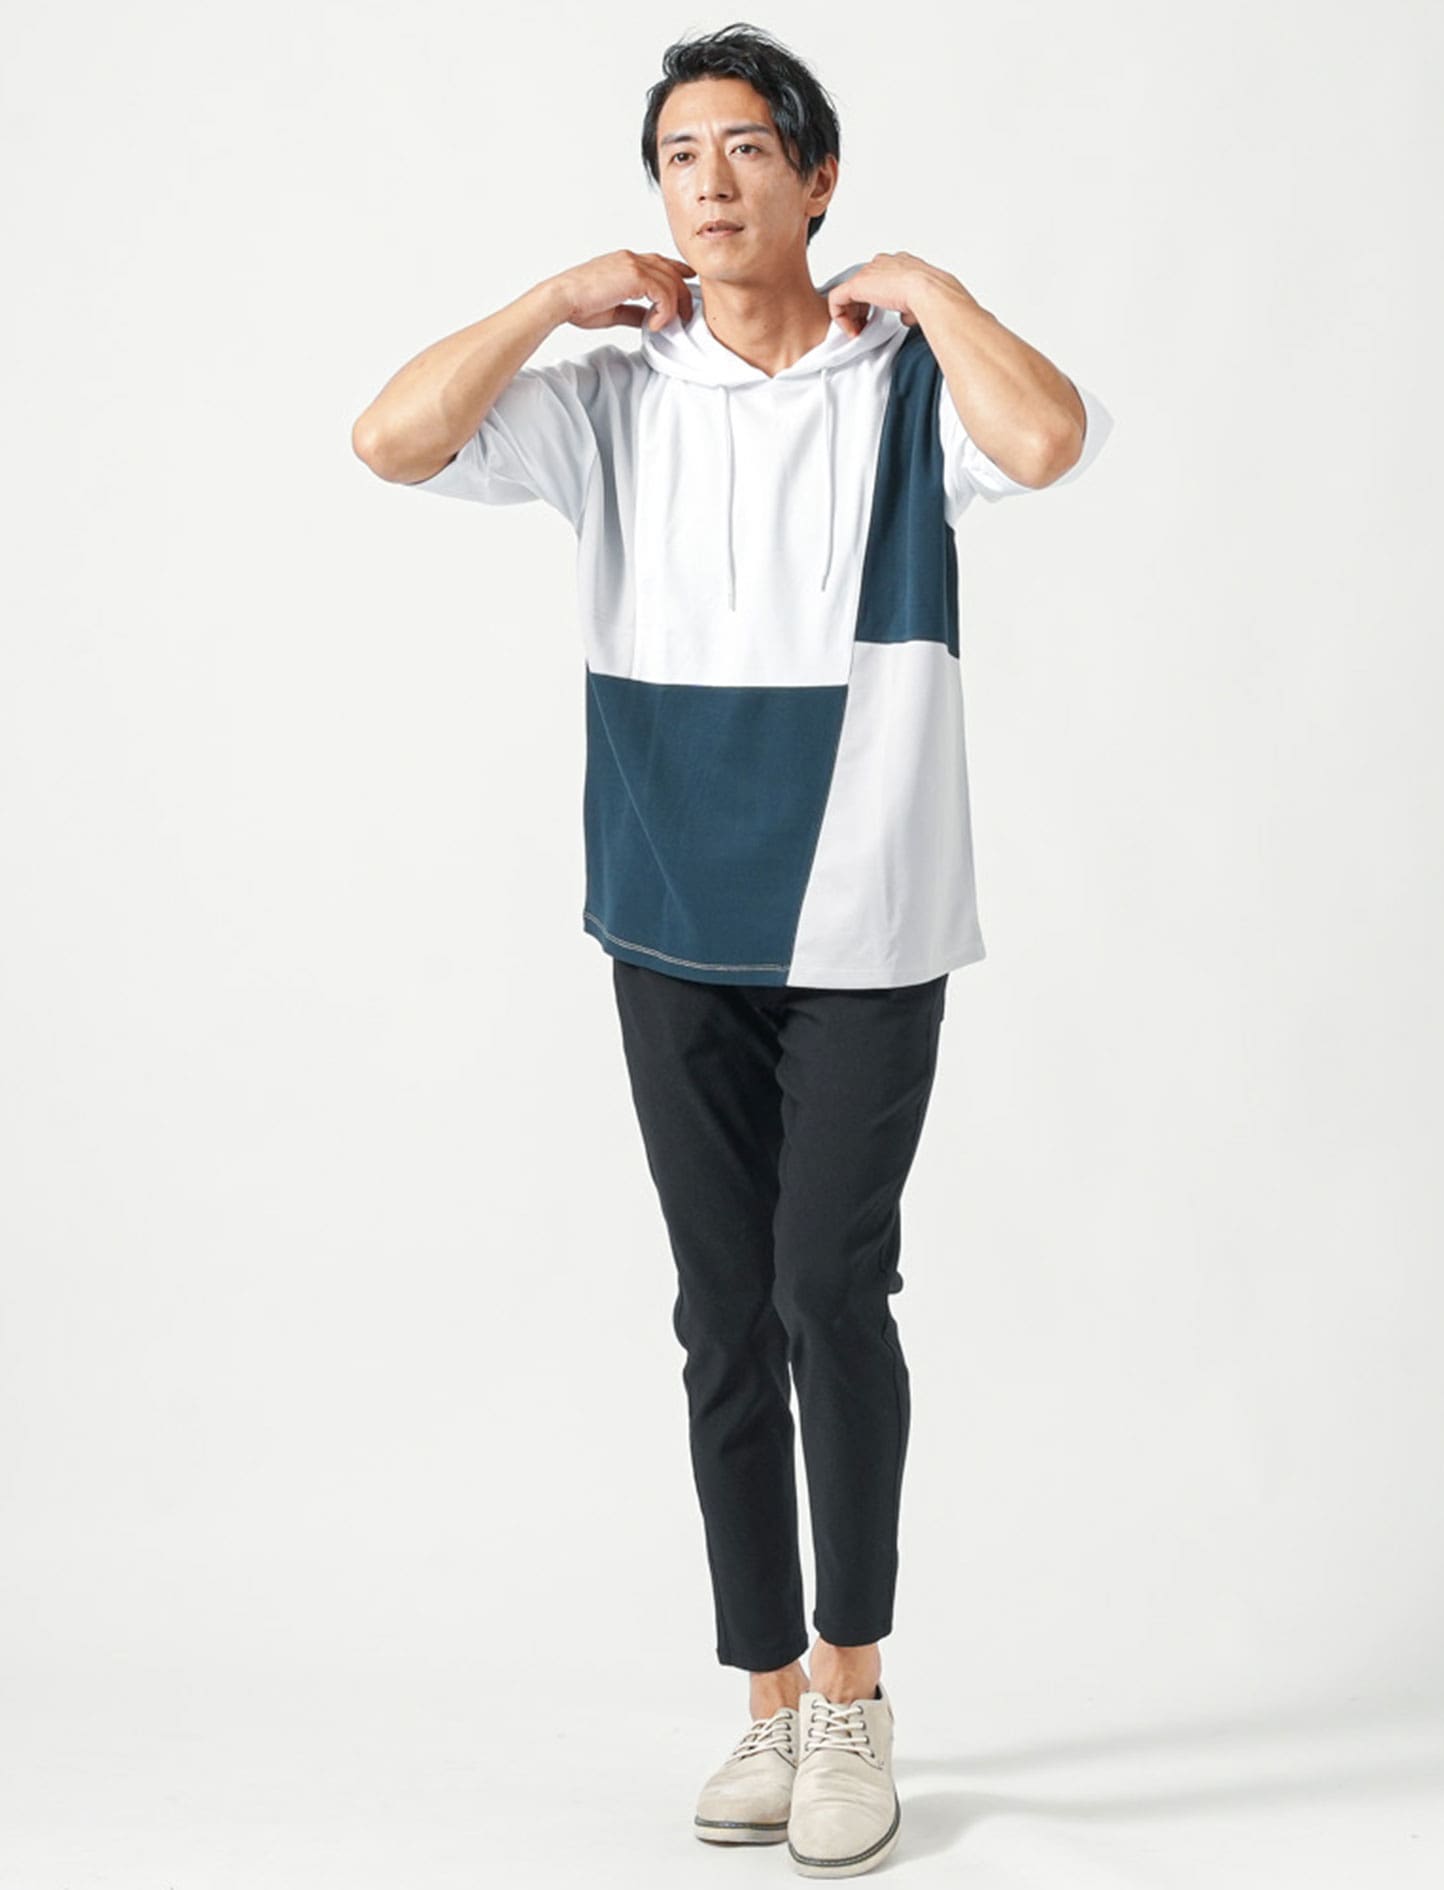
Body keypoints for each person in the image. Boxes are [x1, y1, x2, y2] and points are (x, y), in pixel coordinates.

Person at [352, 22, 1112, 1877]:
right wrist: (553, 298)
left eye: (748, 146)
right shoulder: (615, 390)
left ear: (816, 175)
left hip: (866, 913)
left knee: (828, 1291)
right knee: (719, 1315)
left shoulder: (906, 383)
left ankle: (854, 1693)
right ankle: (768, 1698)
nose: (709, 180)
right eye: (679, 153)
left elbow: (1050, 439)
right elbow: (390, 438)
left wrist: (932, 289)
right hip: (669, 916)